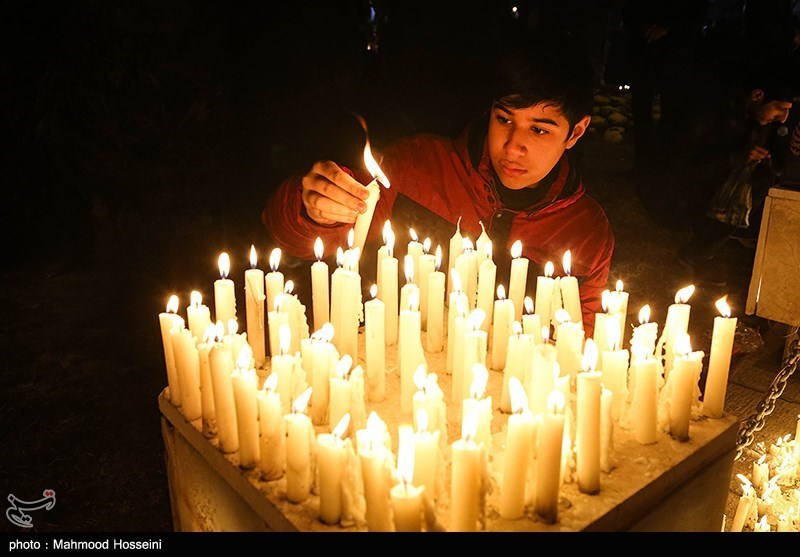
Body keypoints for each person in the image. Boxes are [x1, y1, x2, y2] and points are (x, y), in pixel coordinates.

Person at [262, 28, 615, 338]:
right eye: (504, 118)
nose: (512, 146)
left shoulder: (585, 233)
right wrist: (313, 211)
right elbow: (298, 239)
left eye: (538, 129)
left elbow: (580, 341)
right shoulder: (417, 166)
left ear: (576, 132)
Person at [676, 67, 796, 287]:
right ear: (757, 96)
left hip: (724, 179)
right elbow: (687, 163)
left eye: (788, 111)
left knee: (764, 180)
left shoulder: (758, 119)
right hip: (689, 186)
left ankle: (714, 242)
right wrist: (735, 158)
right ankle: (697, 251)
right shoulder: (715, 112)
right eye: (779, 109)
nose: (783, 118)